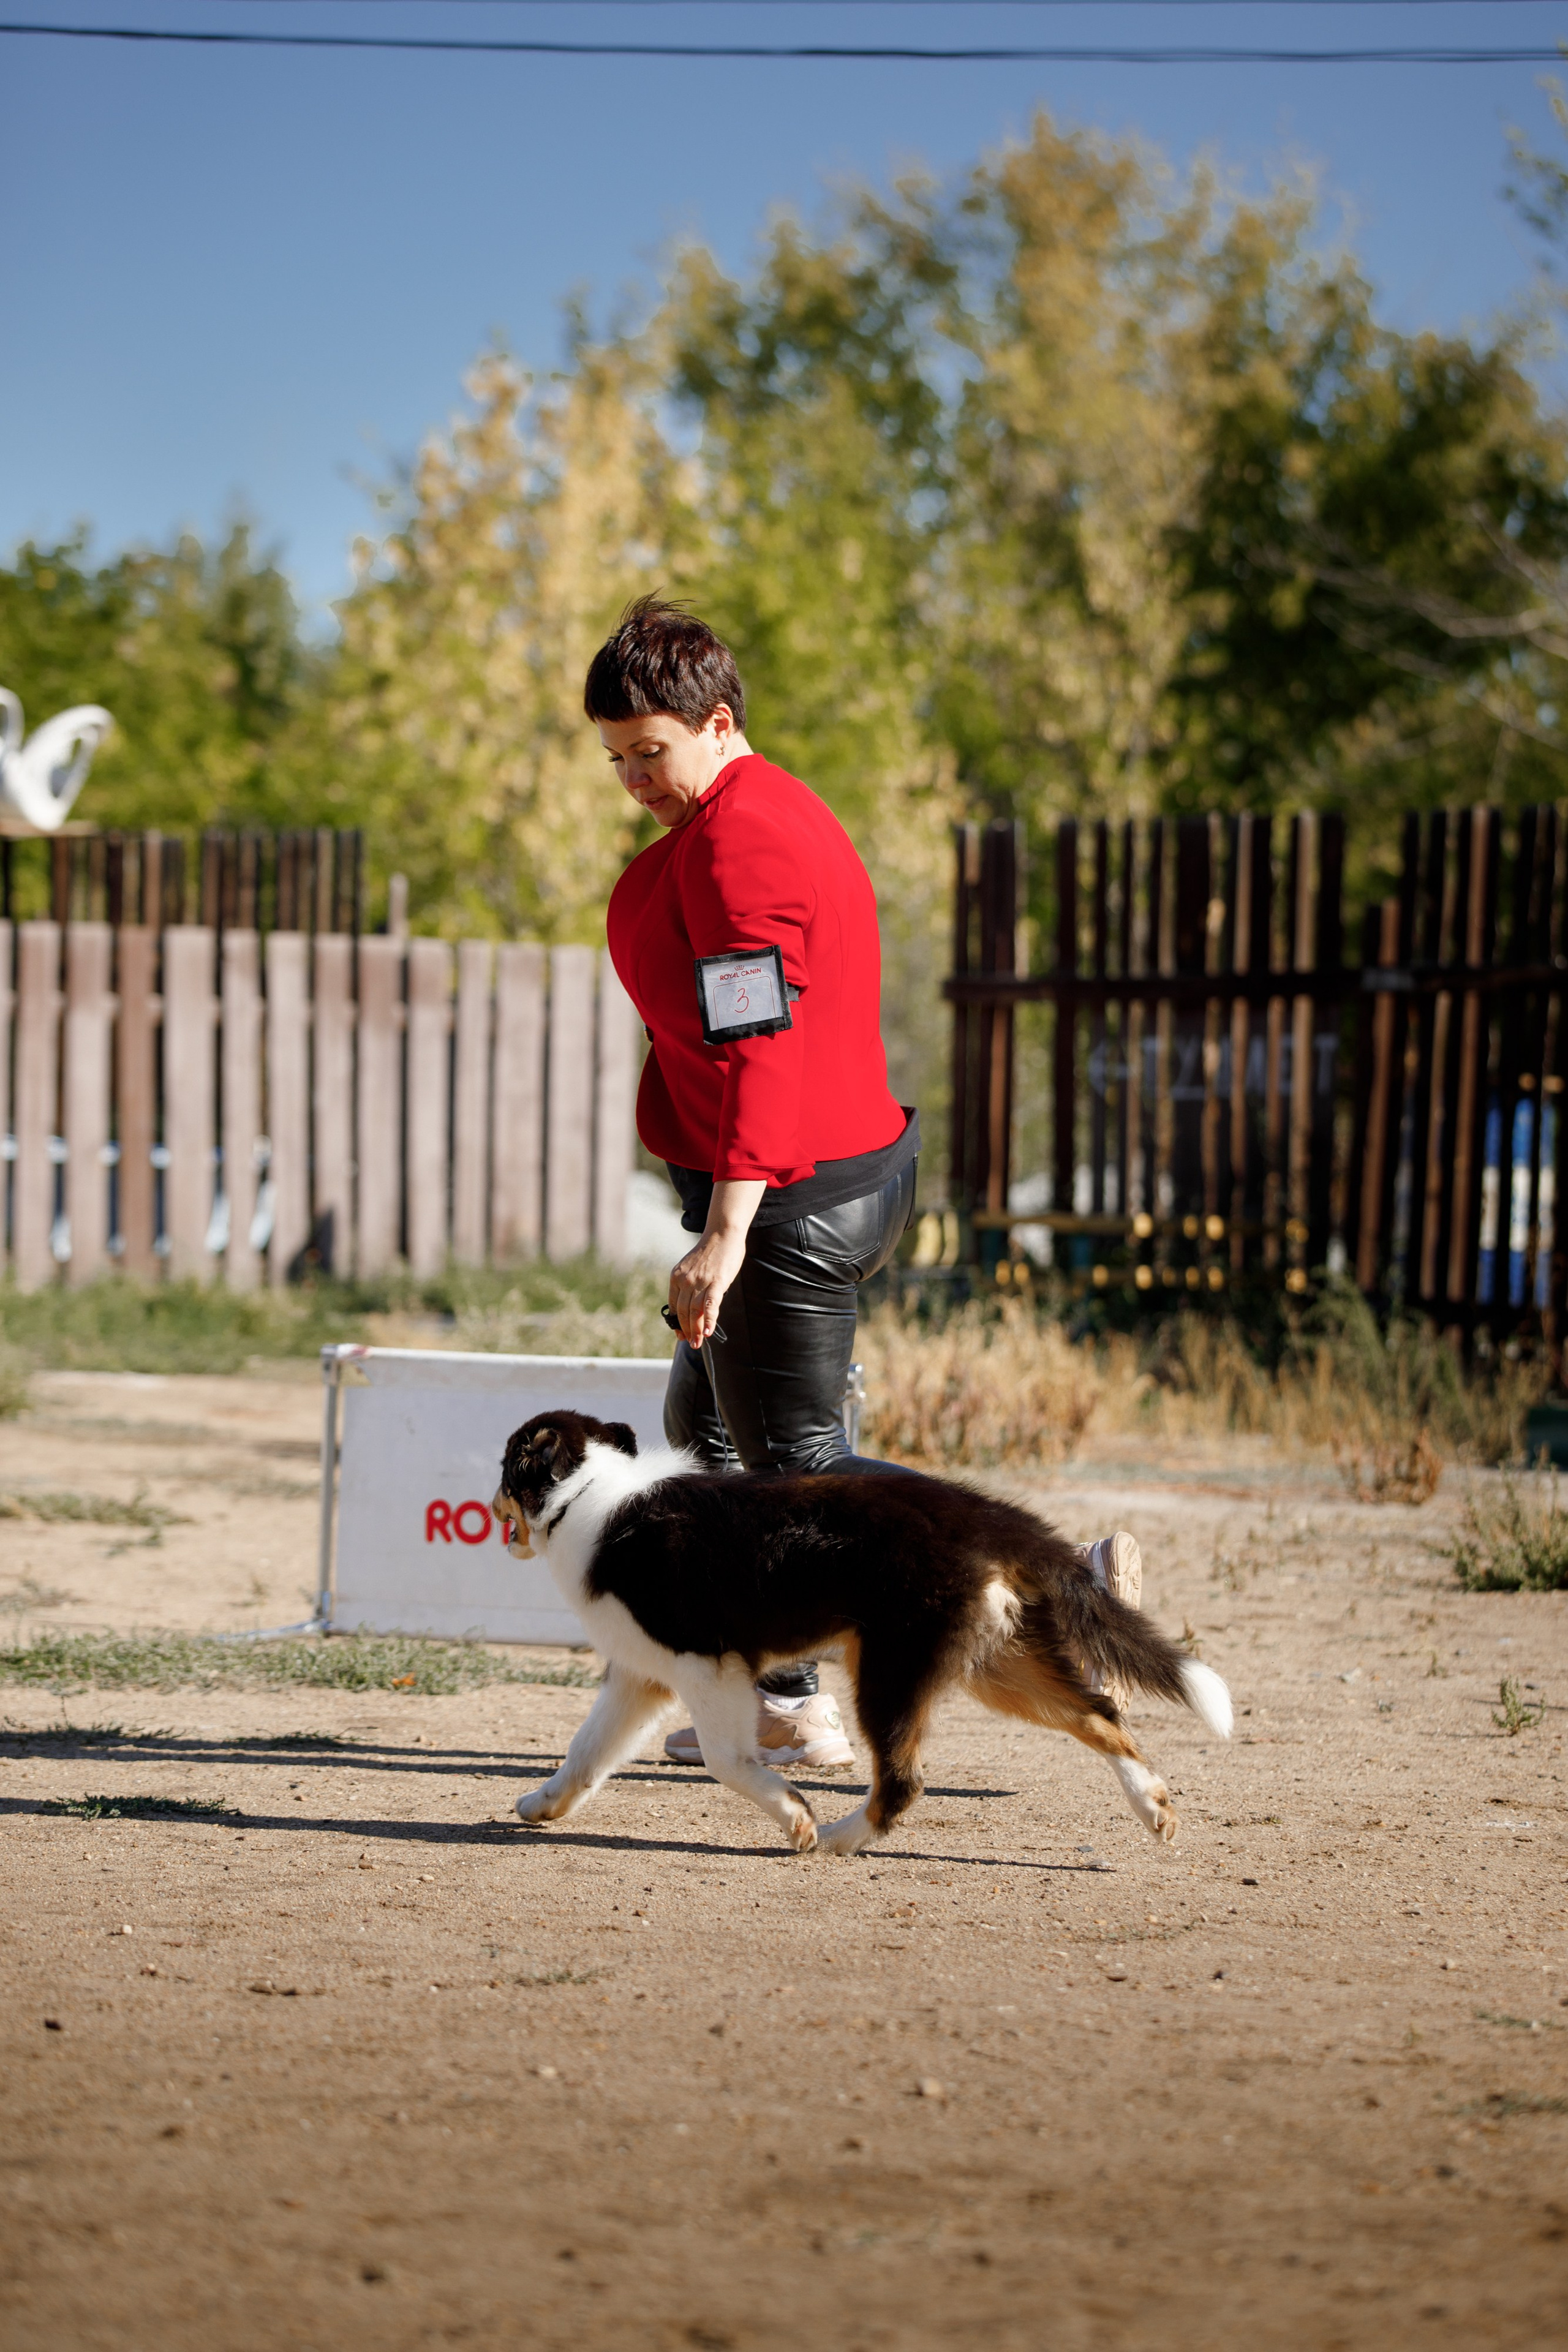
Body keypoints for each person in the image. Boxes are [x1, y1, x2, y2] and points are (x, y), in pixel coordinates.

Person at [591, 596, 1139, 1772]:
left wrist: (725, 1234)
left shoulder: (743, 842)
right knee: (707, 1434)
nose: (632, 780)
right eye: (615, 758)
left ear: (717, 721)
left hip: (786, 1202)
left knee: (804, 1473)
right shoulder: (757, 808)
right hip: (819, 1178)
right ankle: (781, 1697)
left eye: (649, 751)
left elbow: (762, 1046)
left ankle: (1063, 1584)